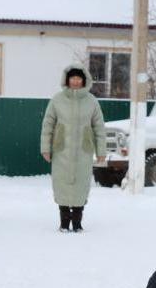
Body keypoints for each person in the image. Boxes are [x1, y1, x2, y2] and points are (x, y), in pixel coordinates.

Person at [40, 63, 107, 232]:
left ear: (84, 80)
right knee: (61, 185)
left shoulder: (91, 101)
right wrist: (45, 148)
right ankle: (64, 223)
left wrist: (101, 152)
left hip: (83, 152)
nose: (75, 81)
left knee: (81, 185)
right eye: (73, 78)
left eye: (79, 78)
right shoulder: (57, 99)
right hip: (61, 150)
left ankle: (77, 222)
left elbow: (99, 127)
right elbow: (48, 125)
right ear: (67, 79)